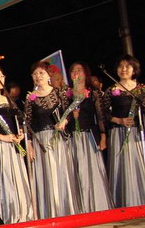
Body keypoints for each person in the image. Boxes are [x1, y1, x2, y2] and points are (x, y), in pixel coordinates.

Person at [25, 61, 81, 218]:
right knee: (47, 175)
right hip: (41, 140)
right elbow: (28, 123)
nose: (38, 76)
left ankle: (66, 210)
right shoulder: (30, 98)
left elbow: (69, 112)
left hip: (59, 138)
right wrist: (29, 144)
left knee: (61, 171)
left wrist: (64, 121)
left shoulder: (59, 93)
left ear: (49, 75)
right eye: (35, 74)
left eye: (41, 73)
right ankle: (49, 212)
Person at [0, 67, 33, 223]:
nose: (0, 78)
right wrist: (2, 137)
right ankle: (4, 215)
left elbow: (18, 121)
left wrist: (20, 134)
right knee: (2, 180)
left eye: (2, 75)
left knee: (16, 178)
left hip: (12, 145)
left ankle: (21, 213)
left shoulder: (8, 100)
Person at [61, 62, 112, 212]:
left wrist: (103, 136)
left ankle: (97, 206)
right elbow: (62, 116)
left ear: (85, 73)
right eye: (73, 71)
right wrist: (71, 115)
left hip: (89, 136)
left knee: (92, 170)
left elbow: (100, 116)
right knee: (76, 171)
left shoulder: (93, 93)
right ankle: (81, 207)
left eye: (79, 70)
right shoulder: (66, 95)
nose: (76, 73)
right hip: (72, 137)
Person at [101, 55, 145, 207]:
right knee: (122, 167)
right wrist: (119, 120)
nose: (123, 69)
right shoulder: (111, 90)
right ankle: (123, 203)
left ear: (134, 70)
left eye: (127, 66)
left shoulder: (141, 89)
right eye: (121, 66)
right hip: (118, 133)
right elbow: (103, 114)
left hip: (138, 133)